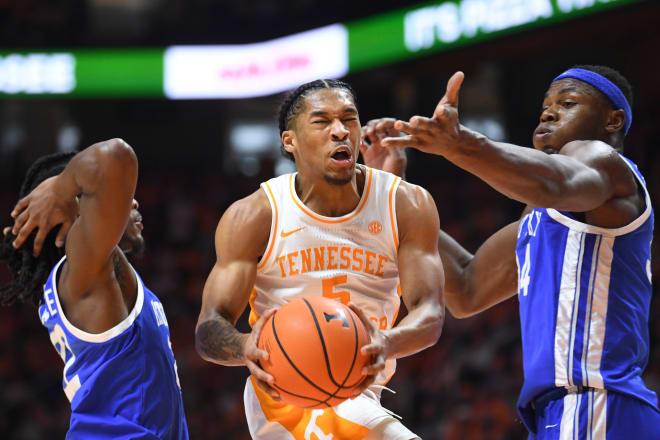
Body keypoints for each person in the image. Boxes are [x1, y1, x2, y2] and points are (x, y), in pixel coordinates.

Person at [364, 65, 660, 439]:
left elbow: (556, 181)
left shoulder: (604, 163)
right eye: (545, 106)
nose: (549, 112)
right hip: (564, 412)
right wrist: (393, 192)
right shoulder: (542, 213)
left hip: (597, 404)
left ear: (612, 121)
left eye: (567, 103)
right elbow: (467, 288)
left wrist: (459, 144)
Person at [195, 79, 445, 439]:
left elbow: (431, 313)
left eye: (349, 119)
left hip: (362, 389)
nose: (340, 131)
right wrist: (244, 345)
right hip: (287, 393)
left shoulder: (407, 204)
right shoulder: (255, 215)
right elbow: (208, 328)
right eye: (322, 121)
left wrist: (388, 342)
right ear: (289, 141)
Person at [1, 139, 189, 439]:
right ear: (71, 212)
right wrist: (61, 187)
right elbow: (115, 156)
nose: (132, 201)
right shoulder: (85, 274)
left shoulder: (89, 278)